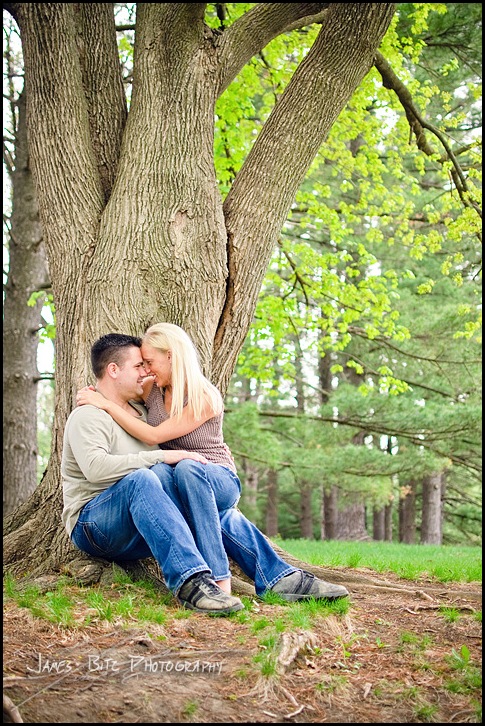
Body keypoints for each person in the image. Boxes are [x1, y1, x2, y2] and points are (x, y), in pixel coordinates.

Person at [75, 326, 349, 604]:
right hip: (143, 495)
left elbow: (154, 436)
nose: (145, 371)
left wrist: (106, 404)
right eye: (140, 365)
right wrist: (100, 398)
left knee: (185, 472)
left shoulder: (202, 395)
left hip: (215, 474)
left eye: (149, 363)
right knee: (175, 483)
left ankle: (219, 579)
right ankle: (276, 578)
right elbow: (117, 395)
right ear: (113, 370)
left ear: (170, 356)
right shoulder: (146, 393)